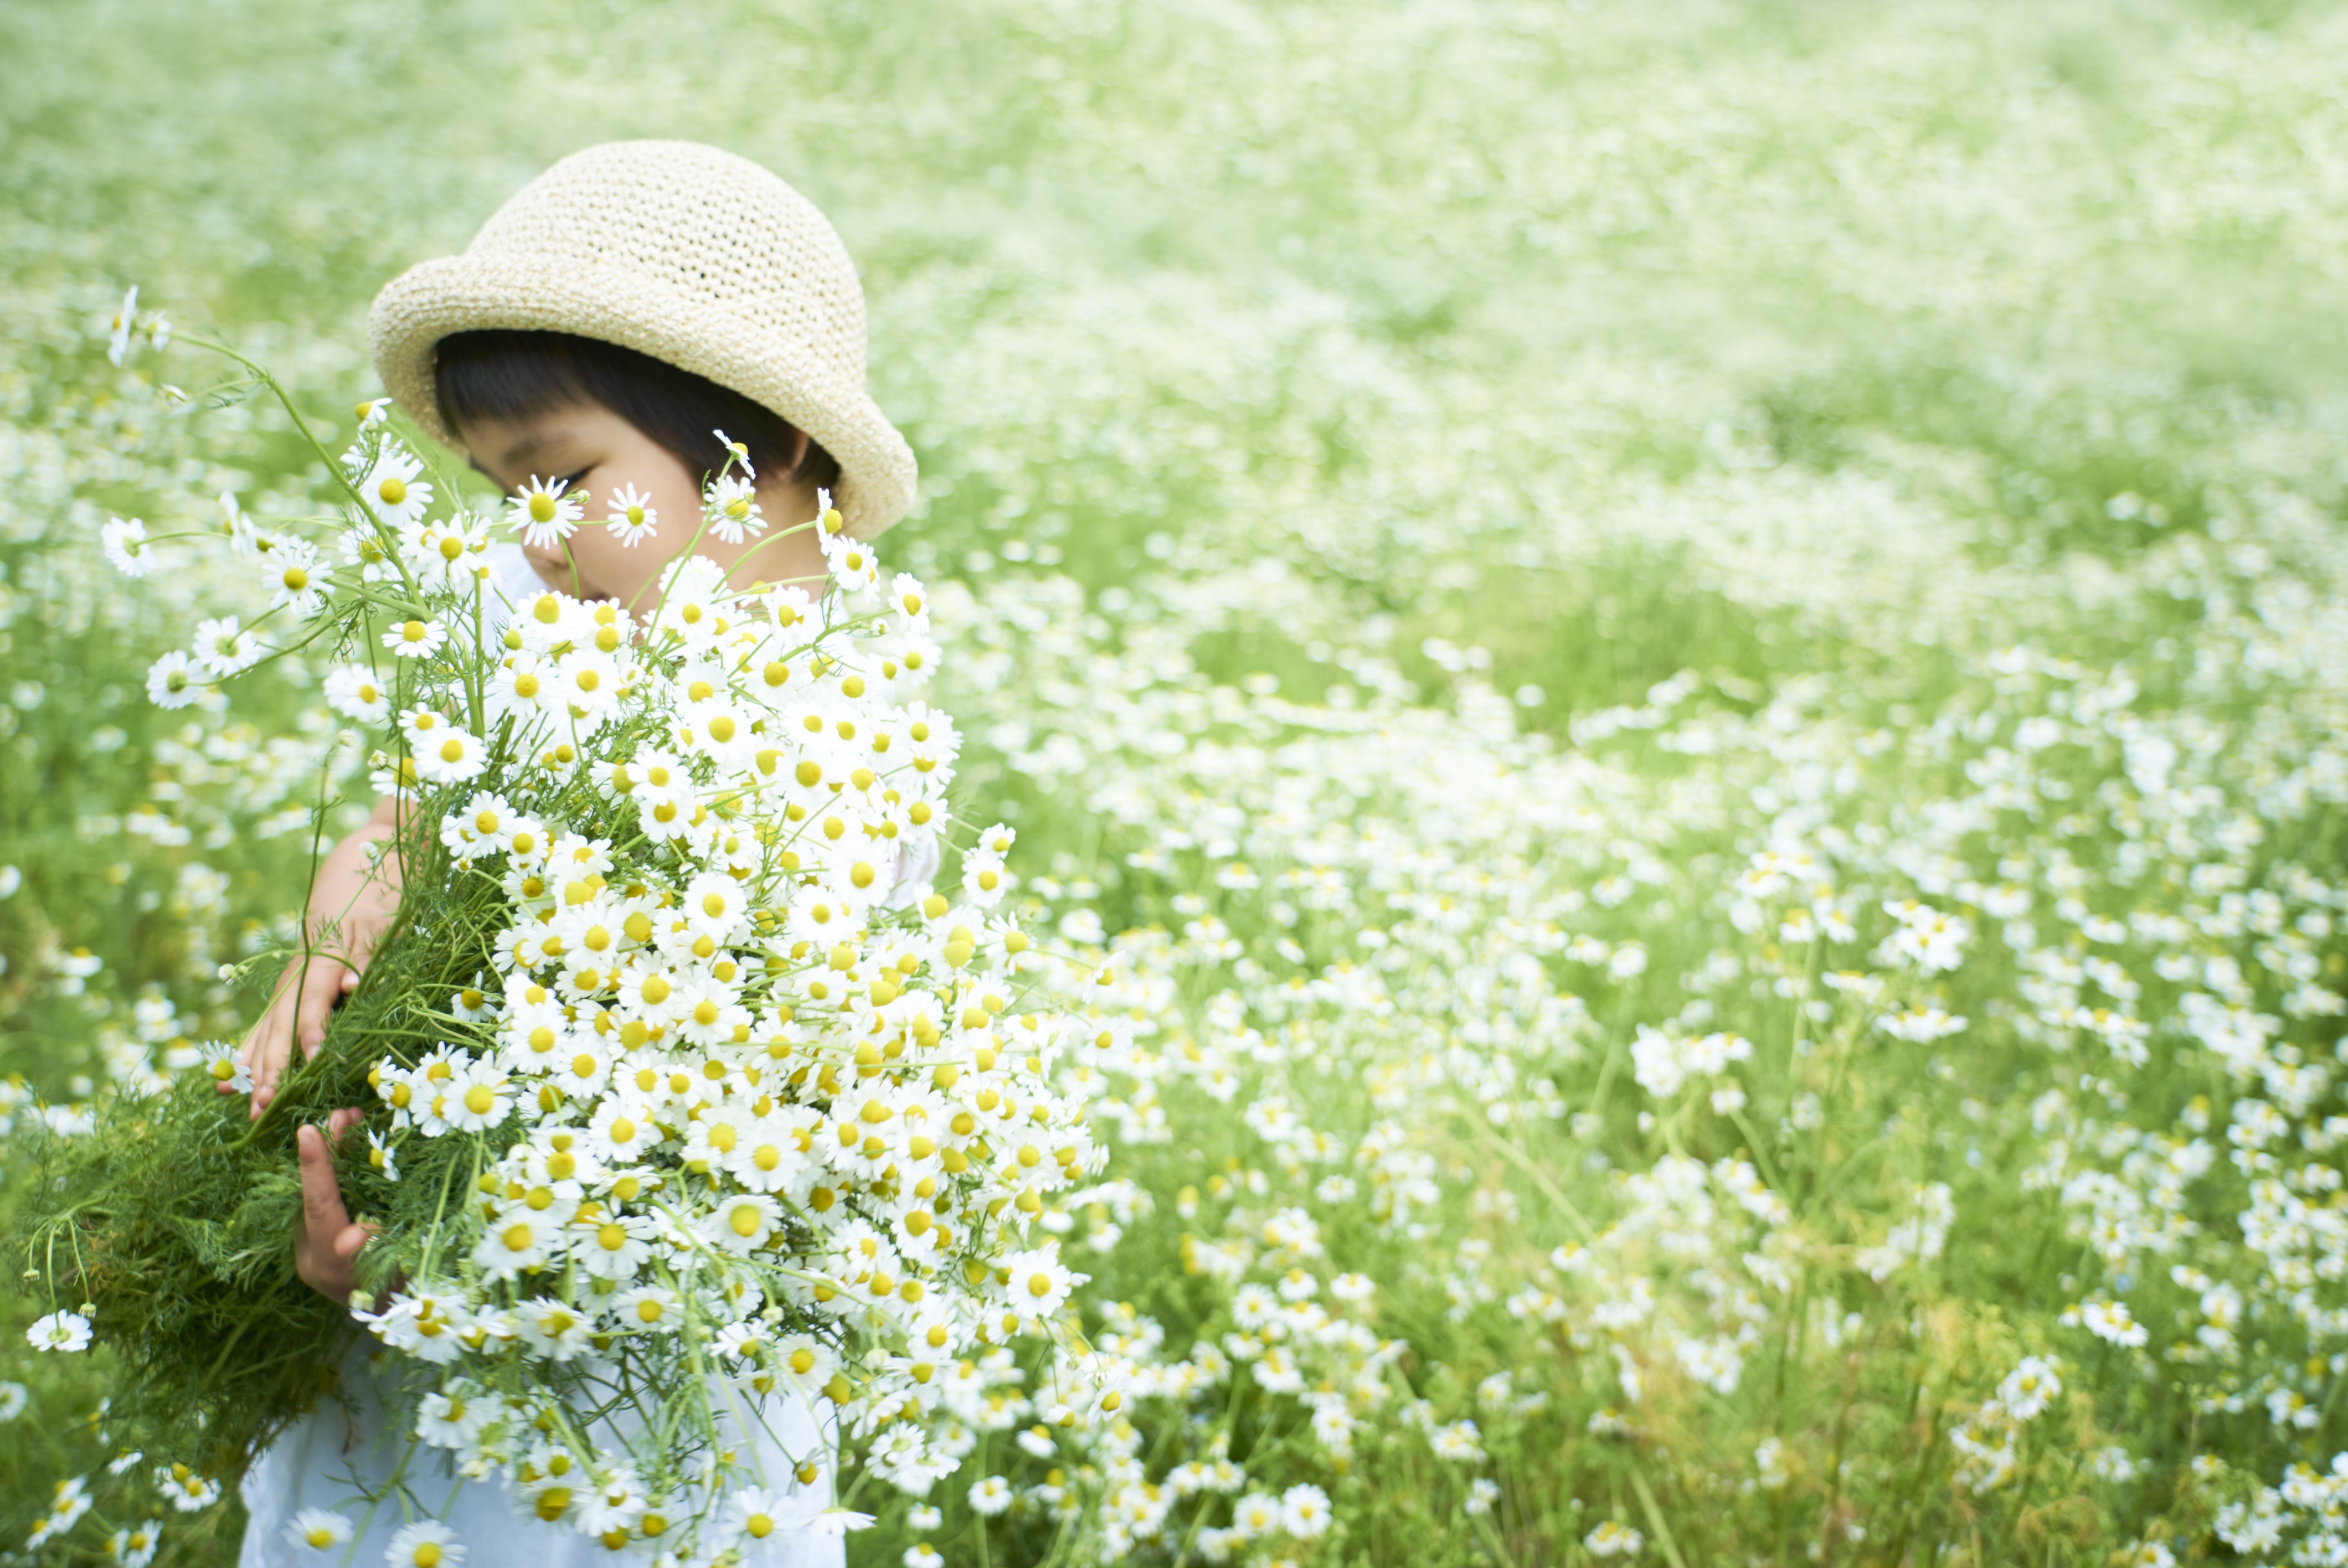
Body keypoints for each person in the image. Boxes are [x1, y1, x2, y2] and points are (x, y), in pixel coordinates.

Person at [229, 140, 921, 1567]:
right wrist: (335, 940)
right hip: (426, 1227)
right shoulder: (550, 597)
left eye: (557, 476)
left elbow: (707, 1113)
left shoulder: (839, 724)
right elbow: (410, 812)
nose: (532, 535)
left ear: (763, 444)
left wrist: (443, 1241)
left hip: (629, 1316)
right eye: (503, 490)